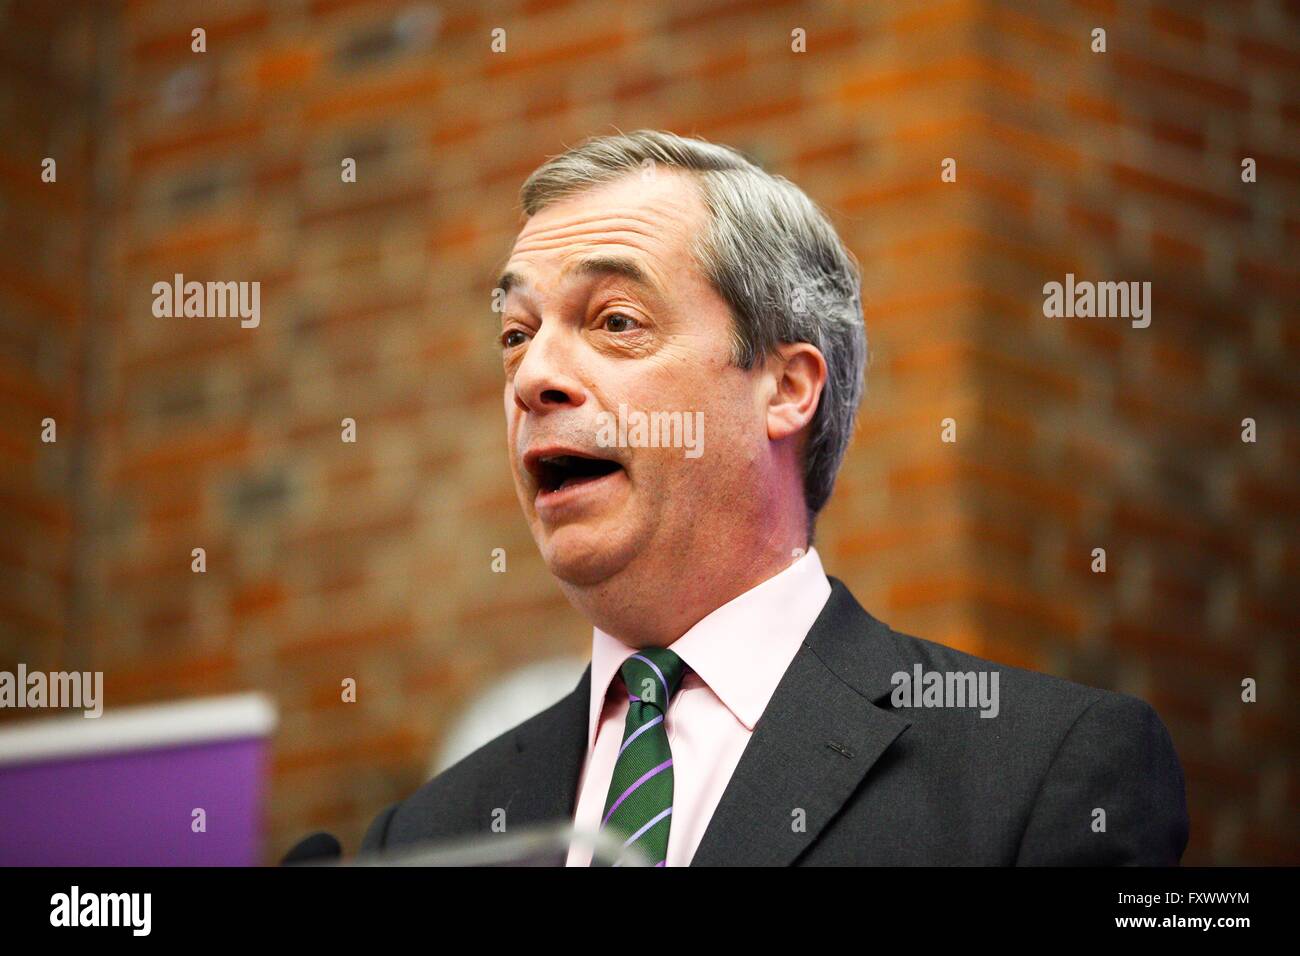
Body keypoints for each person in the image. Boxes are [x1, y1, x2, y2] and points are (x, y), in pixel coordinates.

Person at [360, 130, 1188, 866]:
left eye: (614, 321)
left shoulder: (1040, 769)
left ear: (787, 387)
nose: (534, 376)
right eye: (516, 334)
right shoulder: (428, 838)